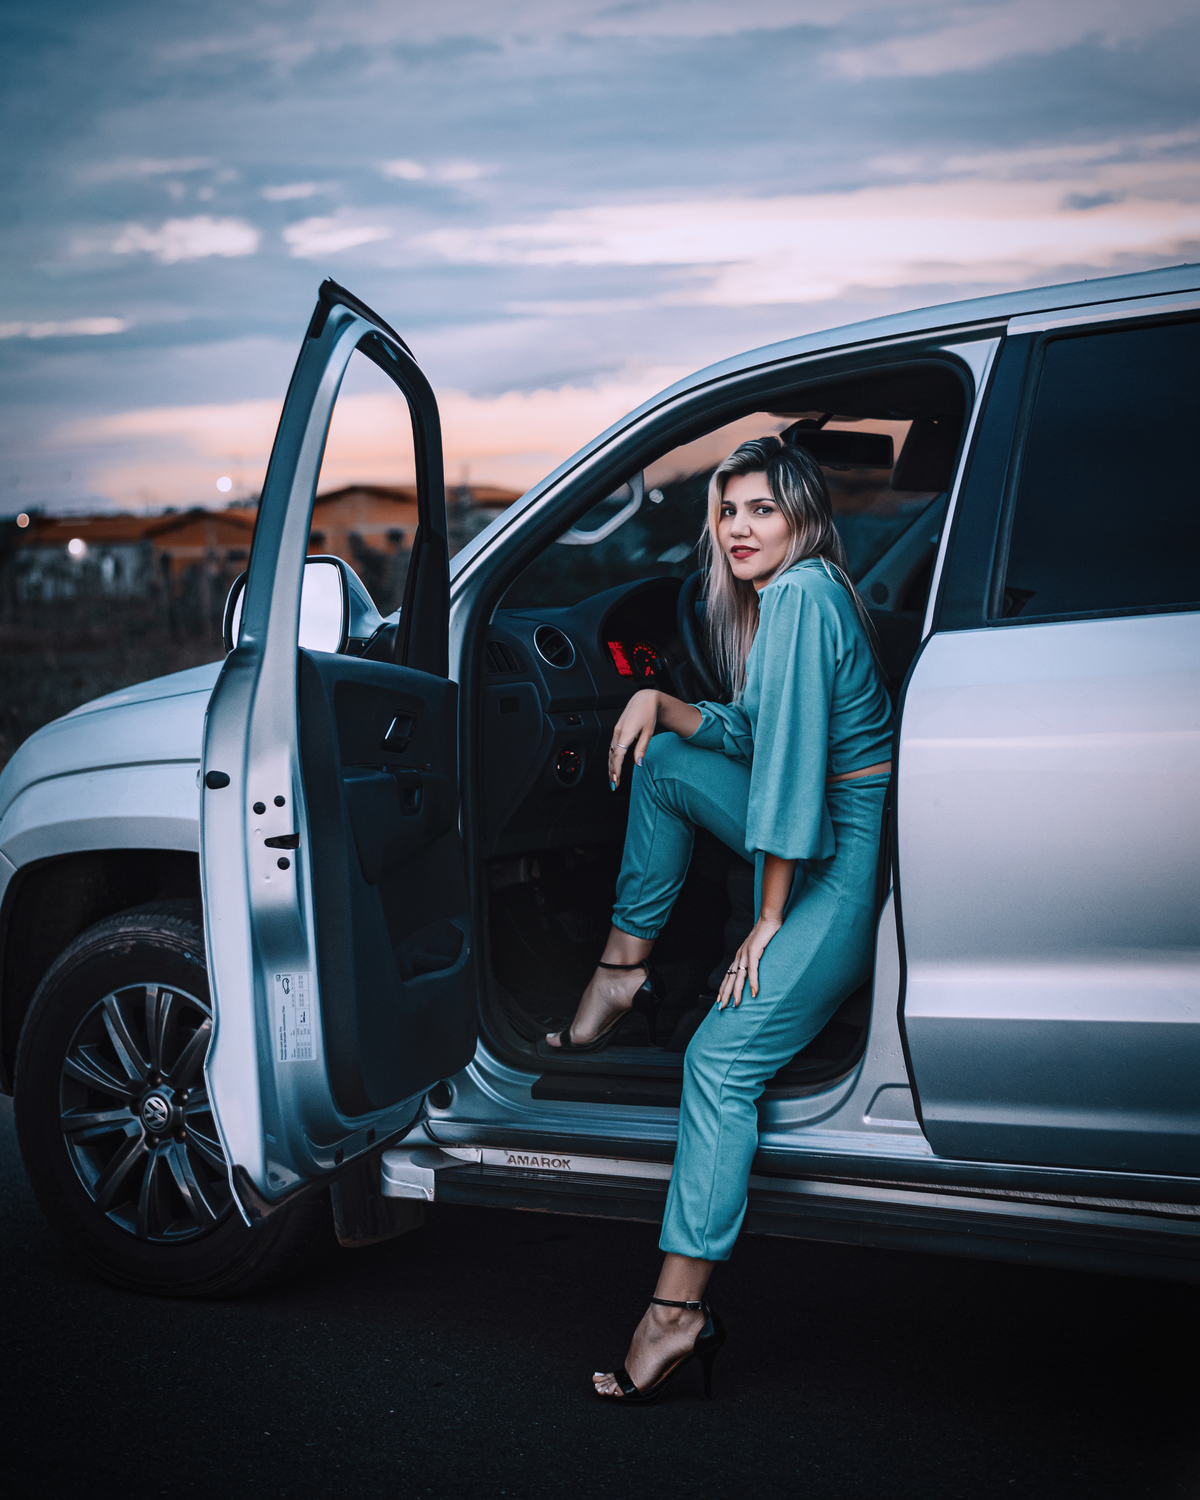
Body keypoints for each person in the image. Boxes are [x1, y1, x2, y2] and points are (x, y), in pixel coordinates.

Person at [547, 434, 894, 1403]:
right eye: (728, 511)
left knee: (719, 1061)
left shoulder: (802, 597)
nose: (739, 528)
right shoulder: (792, 597)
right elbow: (755, 733)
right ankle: (622, 973)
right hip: (816, 830)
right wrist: (659, 701)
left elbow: (789, 779)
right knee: (662, 762)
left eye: (762, 510)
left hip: (838, 864)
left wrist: (768, 917)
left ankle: (677, 1313)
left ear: (802, 519)